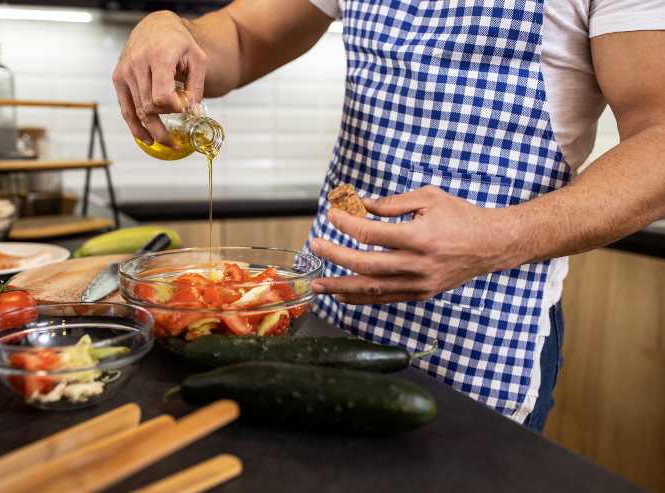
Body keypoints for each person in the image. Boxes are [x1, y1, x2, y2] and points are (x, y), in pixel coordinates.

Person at [112, 0, 665, 430]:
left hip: (482, 329)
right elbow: (240, 35)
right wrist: (170, 27)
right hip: (324, 316)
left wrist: (501, 236)